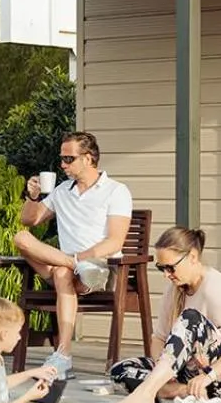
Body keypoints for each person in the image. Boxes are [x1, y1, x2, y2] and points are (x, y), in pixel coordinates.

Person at [105, 227, 221, 403]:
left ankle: (147, 394)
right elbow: (159, 338)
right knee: (120, 370)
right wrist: (163, 370)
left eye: (170, 267)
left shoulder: (217, 288)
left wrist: (209, 375)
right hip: (192, 371)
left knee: (191, 318)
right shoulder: (174, 289)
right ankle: (182, 391)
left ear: (193, 257)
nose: (166, 274)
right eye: (161, 268)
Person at [12, 132, 133, 379]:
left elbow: (114, 241)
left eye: (69, 159)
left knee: (61, 271)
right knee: (21, 239)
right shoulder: (61, 191)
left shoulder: (116, 191)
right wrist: (33, 196)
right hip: (69, 268)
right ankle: (63, 356)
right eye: (62, 159)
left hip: (100, 270)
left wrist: (82, 258)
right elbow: (30, 219)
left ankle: (63, 354)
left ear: (88, 159)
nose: (63, 165)